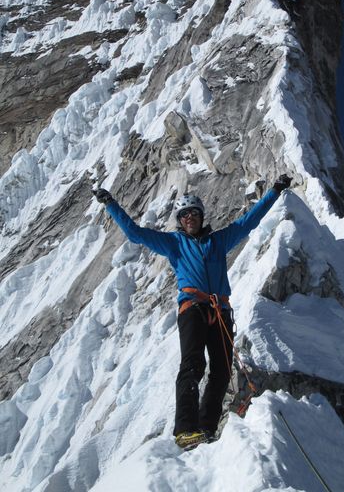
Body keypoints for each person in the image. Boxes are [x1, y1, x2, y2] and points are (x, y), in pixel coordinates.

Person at [94, 174, 292, 449]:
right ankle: (186, 429)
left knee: (222, 370)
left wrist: (274, 190)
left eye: (193, 214)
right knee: (193, 364)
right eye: (184, 215)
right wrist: (111, 204)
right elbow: (135, 233)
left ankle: (206, 428)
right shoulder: (174, 243)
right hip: (193, 308)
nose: (189, 218)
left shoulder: (219, 240)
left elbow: (249, 221)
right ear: (180, 220)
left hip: (220, 311)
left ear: (200, 216)